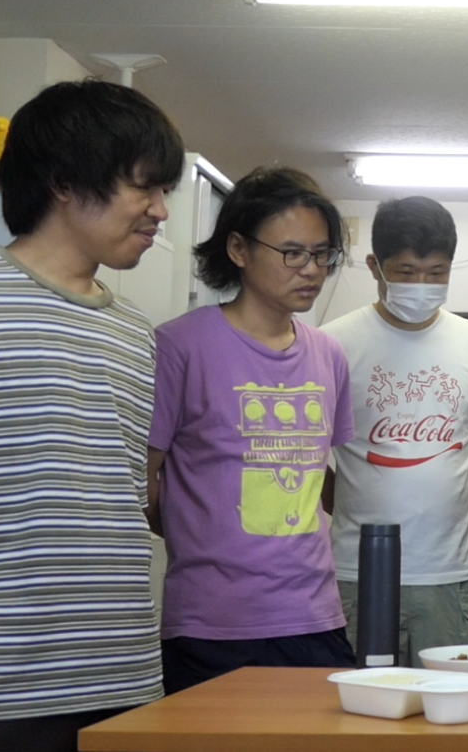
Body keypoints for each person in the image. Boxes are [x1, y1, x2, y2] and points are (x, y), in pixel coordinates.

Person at [0, 79, 184, 751]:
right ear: (63, 181)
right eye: (144, 186)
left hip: (120, 679)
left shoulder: (136, 332)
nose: (161, 211)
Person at [147, 166, 355, 694]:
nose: (312, 270)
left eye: (322, 255)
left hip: (314, 618)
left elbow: (318, 477)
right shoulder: (178, 346)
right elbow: (142, 482)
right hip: (210, 624)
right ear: (238, 249)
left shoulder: (329, 354)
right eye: (293, 253)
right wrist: (206, 534)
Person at [322, 196, 468, 667]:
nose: (422, 285)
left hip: (453, 572)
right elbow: (311, 455)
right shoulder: (333, 343)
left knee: (452, 700)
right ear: (375, 267)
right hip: (356, 571)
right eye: (406, 272)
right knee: (361, 699)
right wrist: (353, 498)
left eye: (436, 272)